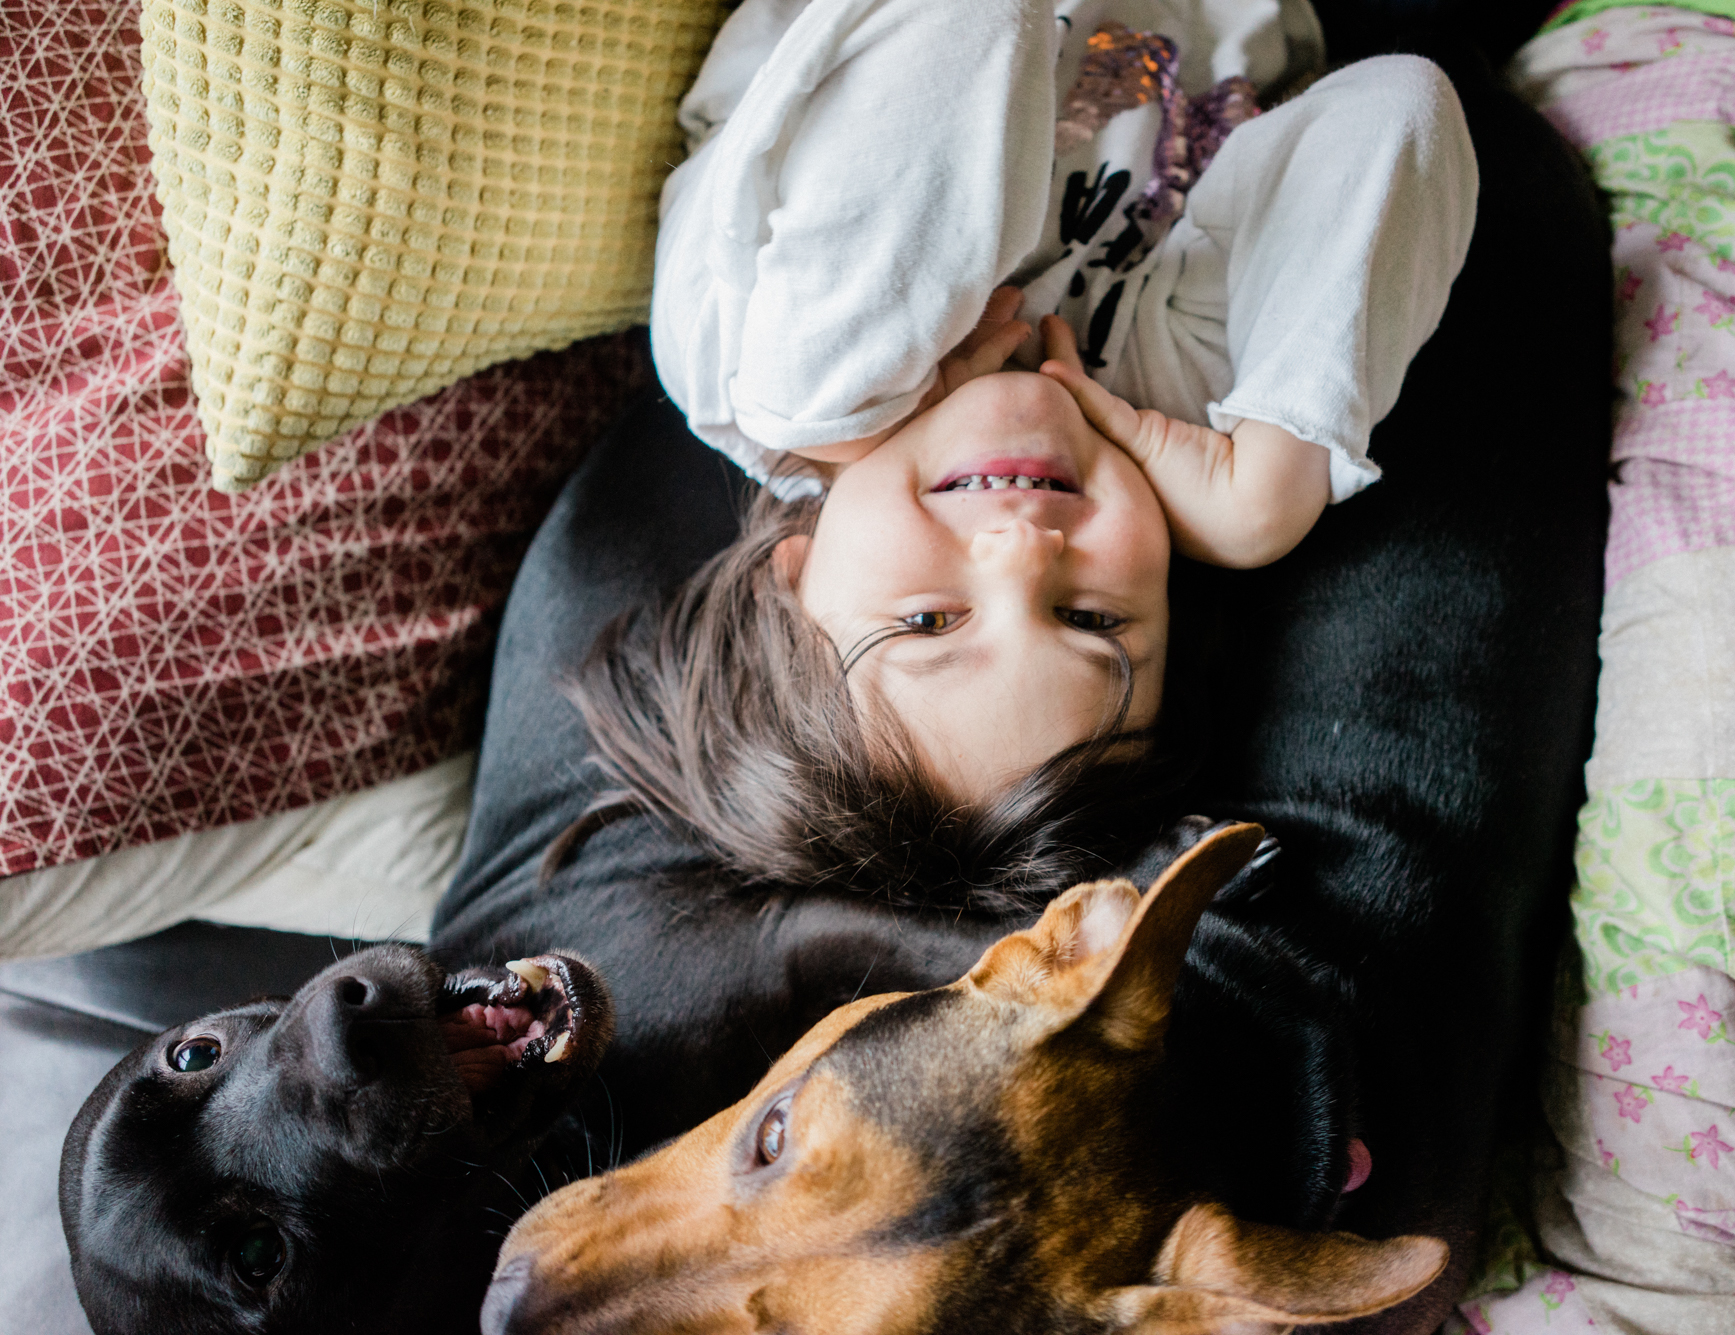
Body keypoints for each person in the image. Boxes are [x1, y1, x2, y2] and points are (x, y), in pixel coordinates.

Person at [584, 0, 1477, 895]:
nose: (1024, 551)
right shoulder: (1166, 389)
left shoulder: (750, 375)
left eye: (929, 621)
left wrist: (849, 399)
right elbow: (1398, 106)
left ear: (789, 581)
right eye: (1091, 619)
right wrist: (1274, 485)